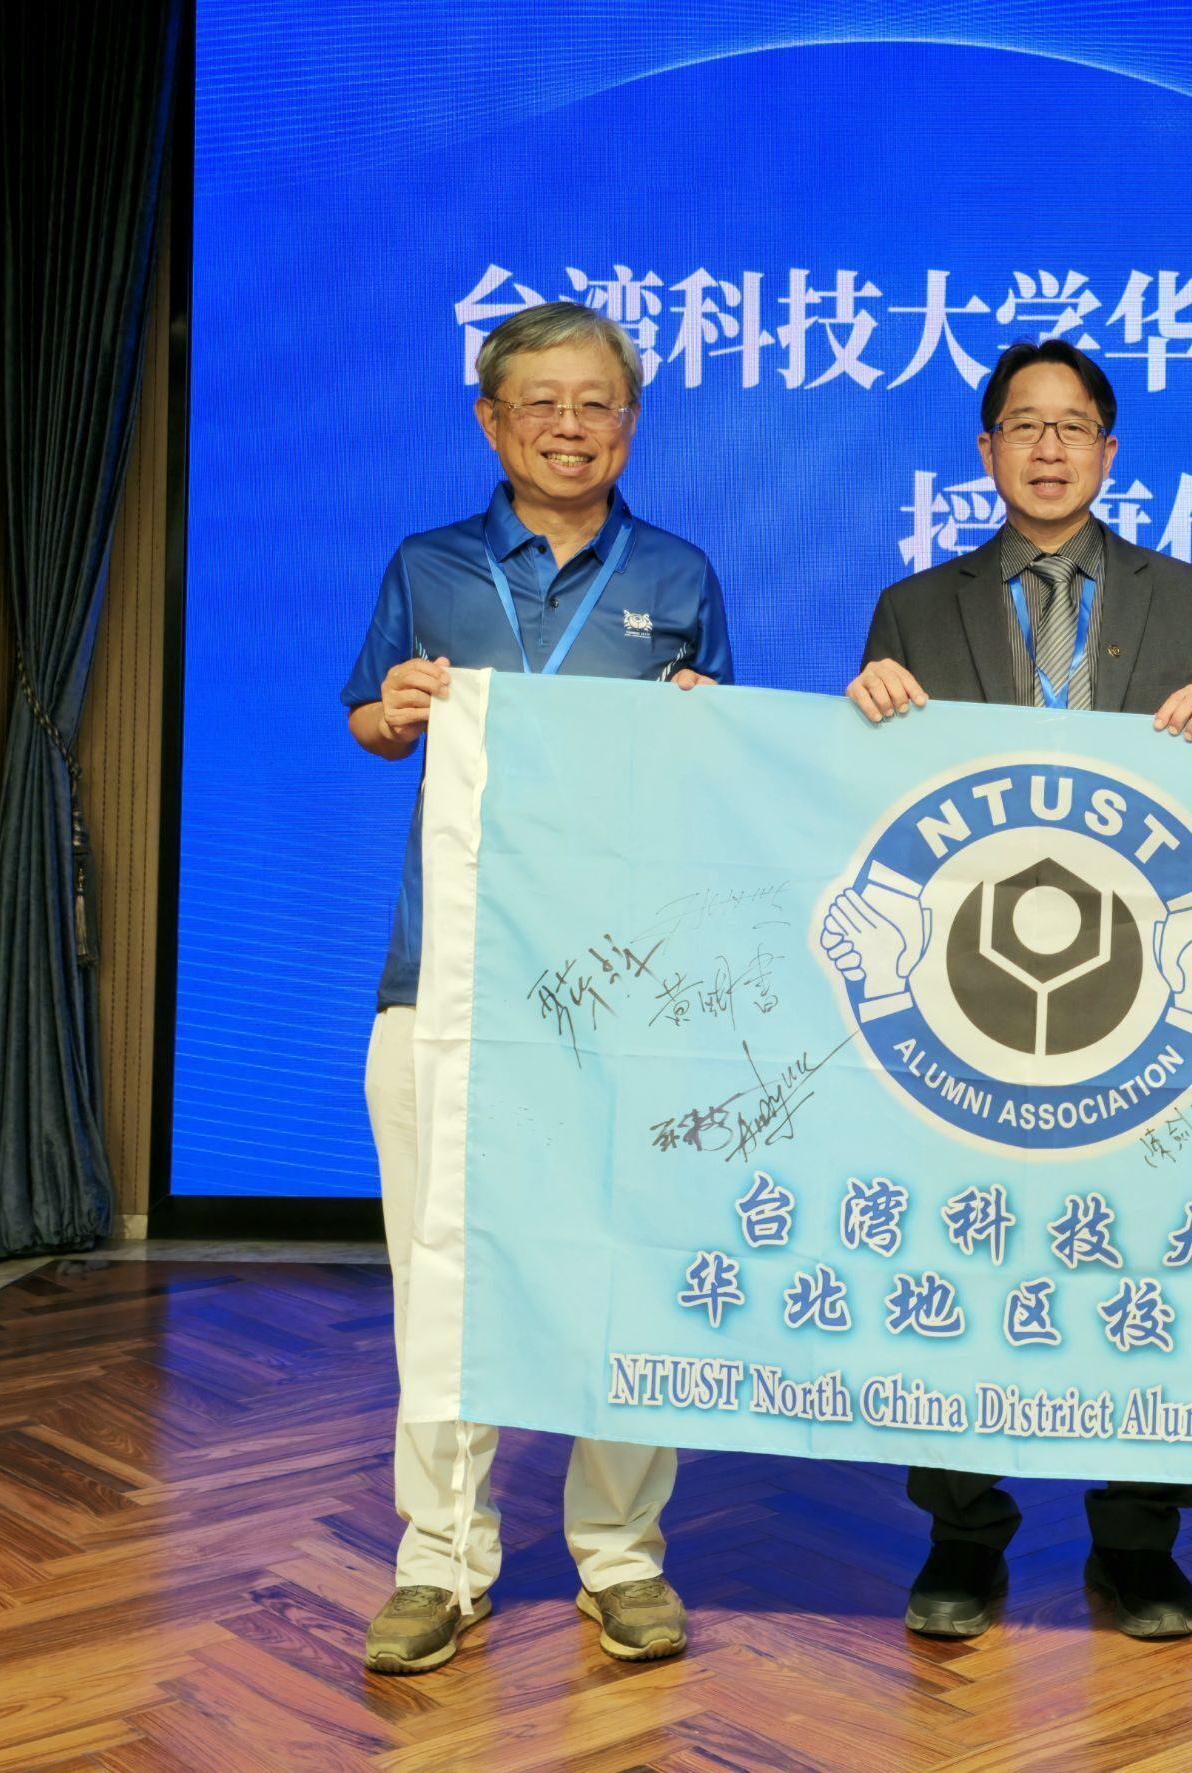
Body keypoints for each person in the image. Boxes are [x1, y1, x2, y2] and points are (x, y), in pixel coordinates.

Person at [845, 339, 1192, 1643]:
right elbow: (870, 807)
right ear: (985, 452)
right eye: (1022, 425)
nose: (1047, 447)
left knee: (1139, 1258)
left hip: (1136, 1007)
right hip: (972, 1004)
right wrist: (862, 707)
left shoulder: (1191, 600)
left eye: (1073, 426)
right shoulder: (915, 605)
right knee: (968, 1251)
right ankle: (964, 1531)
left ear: (1110, 451)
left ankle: (1138, 1541)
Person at [341, 302, 731, 1675]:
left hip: (619, 998)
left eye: (598, 404)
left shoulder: (677, 571)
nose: (571, 426)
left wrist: (703, 734)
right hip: (442, 979)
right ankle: (439, 1560)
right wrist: (393, 710)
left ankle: (621, 1556)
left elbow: (722, 765)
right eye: (541, 403)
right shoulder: (432, 565)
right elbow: (371, 722)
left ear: (631, 421)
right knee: (439, 1277)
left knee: (626, 1273)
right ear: (491, 420)